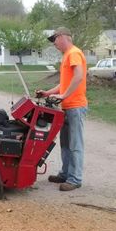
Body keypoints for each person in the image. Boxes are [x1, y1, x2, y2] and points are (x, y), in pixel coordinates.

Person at [36, 27, 87, 191]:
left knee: (75, 144)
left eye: (55, 39)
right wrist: (47, 93)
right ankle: (65, 174)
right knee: (65, 144)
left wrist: (64, 96)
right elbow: (64, 83)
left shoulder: (74, 53)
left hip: (75, 106)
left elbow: (79, 76)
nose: (54, 44)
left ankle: (75, 179)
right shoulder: (67, 56)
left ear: (63, 37)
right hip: (66, 107)